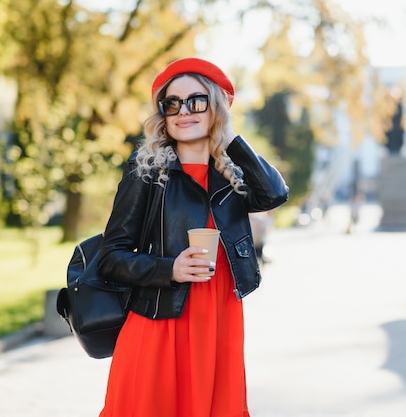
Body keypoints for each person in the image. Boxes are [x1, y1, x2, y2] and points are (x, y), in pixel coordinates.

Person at [96, 57, 289, 417]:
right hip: (160, 326)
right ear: (163, 115)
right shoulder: (147, 172)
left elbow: (274, 194)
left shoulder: (231, 177)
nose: (184, 111)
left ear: (216, 106)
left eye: (197, 101)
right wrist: (170, 268)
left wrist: (229, 138)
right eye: (172, 104)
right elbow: (111, 258)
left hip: (219, 328)